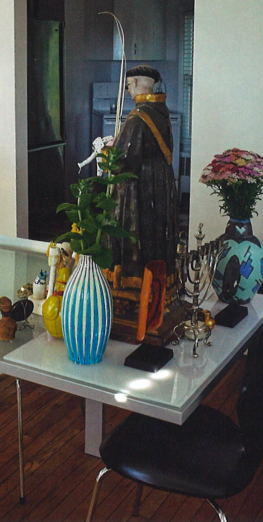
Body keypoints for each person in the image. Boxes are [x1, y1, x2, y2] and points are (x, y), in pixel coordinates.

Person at [105, 65, 179, 338]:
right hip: (159, 186)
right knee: (155, 237)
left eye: (128, 84)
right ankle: (161, 293)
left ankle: (132, 298)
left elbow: (123, 162)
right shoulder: (161, 112)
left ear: (136, 83)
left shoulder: (138, 118)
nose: (127, 89)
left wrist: (106, 152)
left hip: (138, 190)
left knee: (137, 237)